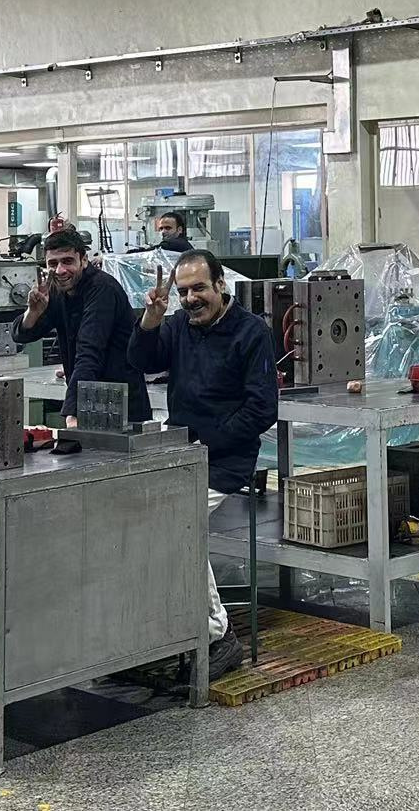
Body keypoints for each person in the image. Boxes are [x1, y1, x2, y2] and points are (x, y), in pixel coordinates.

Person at [128, 249, 277, 679]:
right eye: (183, 292)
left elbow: (262, 409)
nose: (191, 299)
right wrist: (151, 319)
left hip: (225, 460)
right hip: (179, 453)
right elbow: (141, 361)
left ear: (220, 285)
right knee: (128, 513)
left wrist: (207, 444)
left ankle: (217, 634)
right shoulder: (178, 326)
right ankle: (151, 631)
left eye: (199, 289)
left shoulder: (251, 332)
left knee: (174, 522)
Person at [12, 227, 149, 426]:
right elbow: (21, 335)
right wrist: (33, 312)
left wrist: (73, 412)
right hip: (87, 394)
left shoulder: (102, 289)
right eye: (53, 263)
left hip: (121, 401)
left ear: (83, 260)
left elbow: (90, 351)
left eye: (68, 261)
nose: (60, 270)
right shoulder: (57, 290)